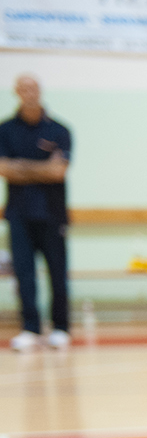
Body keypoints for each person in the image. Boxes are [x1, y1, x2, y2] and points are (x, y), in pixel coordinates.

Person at [0, 74, 71, 352]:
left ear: (39, 90)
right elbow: (4, 169)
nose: (29, 92)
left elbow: (58, 171)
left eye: (33, 87)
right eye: (23, 88)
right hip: (19, 214)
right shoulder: (5, 130)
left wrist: (21, 168)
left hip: (52, 214)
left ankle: (60, 327)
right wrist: (41, 168)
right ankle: (30, 328)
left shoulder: (59, 130)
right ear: (16, 92)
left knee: (57, 272)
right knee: (25, 274)